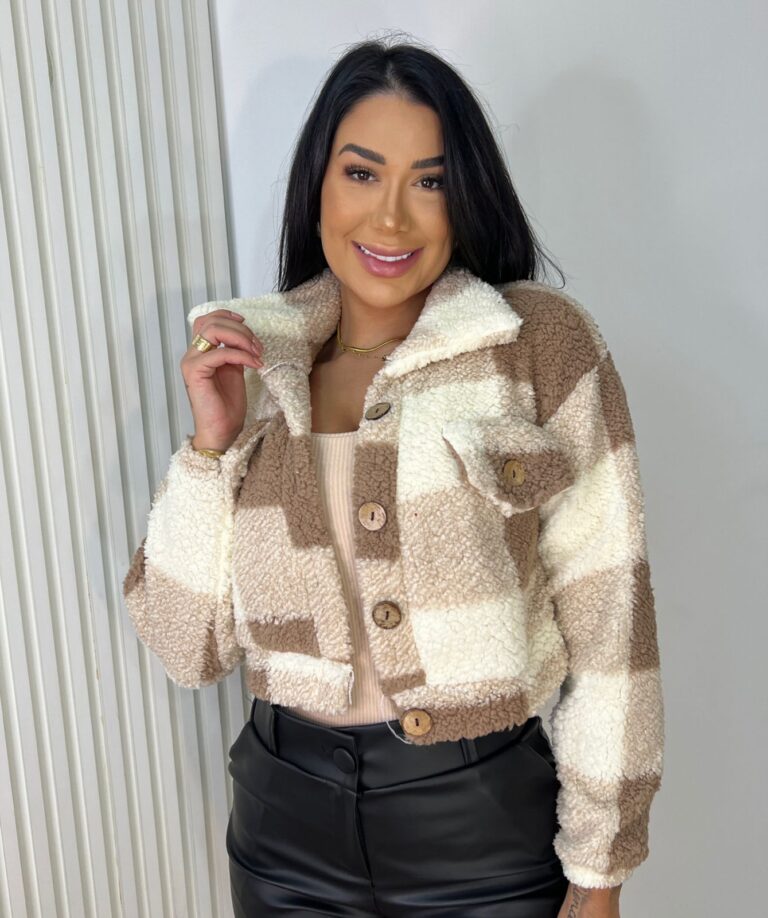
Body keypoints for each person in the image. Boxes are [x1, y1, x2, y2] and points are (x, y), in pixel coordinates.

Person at [123, 36, 665, 918]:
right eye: (362, 173)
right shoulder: (258, 365)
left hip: (485, 838)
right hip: (283, 841)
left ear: (465, 197)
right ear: (320, 186)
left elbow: (613, 621)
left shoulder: (533, 344)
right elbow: (189, 648)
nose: (390, 219)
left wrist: (600, 871)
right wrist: (211, 448)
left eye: (430, 181)